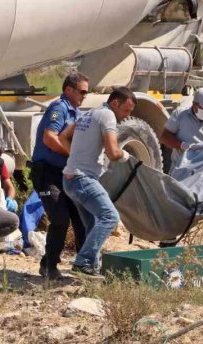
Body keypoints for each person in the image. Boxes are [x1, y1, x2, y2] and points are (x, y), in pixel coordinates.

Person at [62, 86, 136, 277]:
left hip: (70, 179)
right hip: (83, 179)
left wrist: (76, 157)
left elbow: (63, 137)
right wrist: (126, 155)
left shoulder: (88, 114)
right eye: (126, 110)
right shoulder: (107, 115)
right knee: (110, 217)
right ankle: (83, 261)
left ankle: (92, 268)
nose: (126, 116)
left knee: (93, 223)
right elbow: (112, 152)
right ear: (114, 103)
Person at [31, 72, 90, 280]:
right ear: (68, 90)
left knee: (81, 218)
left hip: (66, 173)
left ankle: (85, 265)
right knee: (60, 218)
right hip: (47, 173)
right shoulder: (60, 108)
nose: (85, 95)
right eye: (82, 91)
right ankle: (49, 265)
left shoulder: (77, 113)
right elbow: (49, 138)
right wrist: (72, 154)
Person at [159, 87, 203, 243]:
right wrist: (182, 145)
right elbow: (164, 137)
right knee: (174, 209)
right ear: (195, 105)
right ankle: (167, 244)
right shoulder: (180, 115)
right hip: (181, 173)